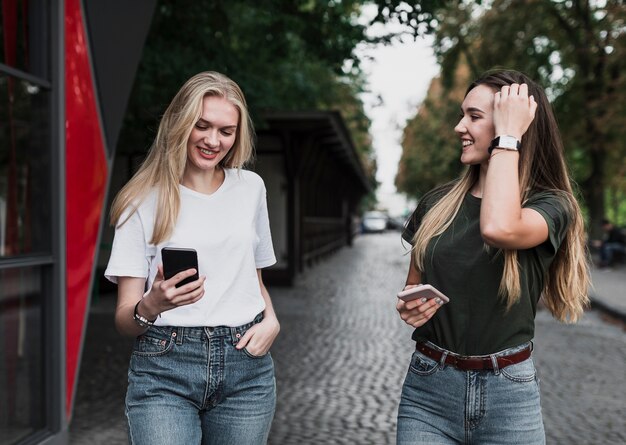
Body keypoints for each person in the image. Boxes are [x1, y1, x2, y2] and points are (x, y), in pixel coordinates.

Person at [395, 69, 590, 444]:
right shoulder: (435, 205)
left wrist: (509, 137)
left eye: (474, 116)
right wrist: (408, 308)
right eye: (462, 114)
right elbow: (412, 288)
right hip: (428, 390)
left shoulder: (551, 205)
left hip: (509, 397)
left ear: (511, 127)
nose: (458, 127)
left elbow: (499, 228)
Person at [104, 71, 280, 445]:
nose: (213, 140)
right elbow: (124, 319)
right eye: (201, 126)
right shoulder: (140, 200)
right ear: (180, 122)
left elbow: (254, 276)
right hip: (165, 364)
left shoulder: (251, 188)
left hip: (245, 364)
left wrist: (272, 320)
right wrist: (151, 304)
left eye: (226, 131)